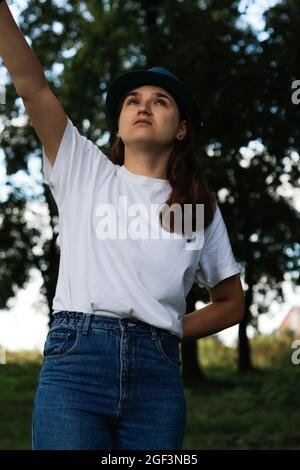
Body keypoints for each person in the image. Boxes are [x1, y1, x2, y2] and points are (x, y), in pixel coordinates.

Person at [0, 0, 245, 450]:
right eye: (133, 100)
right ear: (118, 126)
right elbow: (32, 87)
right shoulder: (84, 169)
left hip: (158, 378)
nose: (143, 106)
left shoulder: (197, 206)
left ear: (183, 130)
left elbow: (230, 303)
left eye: (160, 101)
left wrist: (170, 329)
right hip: (77, 368)